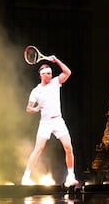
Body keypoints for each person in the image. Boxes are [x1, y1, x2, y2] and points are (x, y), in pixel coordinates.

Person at [21, 55, 79, 187]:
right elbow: (28, 108)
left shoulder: (55, 83)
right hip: (45, 123)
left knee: (68, 148)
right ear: (41, 75)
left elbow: (68, 72)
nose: (49, 75)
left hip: (58, 121)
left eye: (50, 73)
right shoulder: (36, 91)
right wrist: (36, 109)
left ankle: (71, 177)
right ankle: (25, 177)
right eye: (46, 73)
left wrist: (57, 60)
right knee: (38, 149)